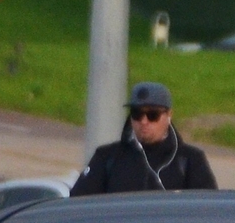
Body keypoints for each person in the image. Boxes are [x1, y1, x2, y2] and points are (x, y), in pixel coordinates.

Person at [71, 82, 217, 195]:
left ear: (169, 115)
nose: (144, 121)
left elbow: (206, 210)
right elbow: (79, 203)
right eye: (136, 114)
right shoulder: (107, 157)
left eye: (152, 115)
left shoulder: (190, 160)